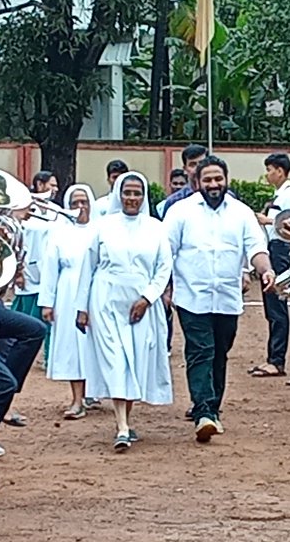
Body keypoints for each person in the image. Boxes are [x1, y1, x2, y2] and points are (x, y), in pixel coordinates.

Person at [165, 156, 273, 440]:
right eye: (208, 180)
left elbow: (256, 248)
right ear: (197, 182)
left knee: (220, 353)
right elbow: (166, 252)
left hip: (227, 297)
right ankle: (203, 412)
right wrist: (165, 288)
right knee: (200, 349)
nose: (214, 184)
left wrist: (266, 270)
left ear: (226, 180)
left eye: (218, 179)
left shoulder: (241, 213)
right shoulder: (180, 212)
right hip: (191, 296)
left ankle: (212, 407)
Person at [80, 172, 174, 450]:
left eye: (137, 193)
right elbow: (89, 267)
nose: (131, 198)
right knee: (116, 360)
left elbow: (164, 268)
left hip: (142, 305)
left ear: (144, 197)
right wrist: (81, 308)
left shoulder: (156, 228)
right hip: (105, 300)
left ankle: (126, 419)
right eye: (127, 193)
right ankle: (121, 426)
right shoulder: (103, 226)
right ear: (119, 194)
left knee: (135, 361)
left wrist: (147, 298)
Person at [39, 184, 99, 419]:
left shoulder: (100, 230)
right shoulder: (59, 232)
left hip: (96, 291)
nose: (80, 207)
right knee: (73, 345)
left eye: (84, 202)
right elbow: (50, 268)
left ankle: (95, 391)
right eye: (75, 203)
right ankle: (77, 399)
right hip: (67, 292)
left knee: (95, 343)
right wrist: (47, 302)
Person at [254, 152, 290, 378]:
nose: (267, 174)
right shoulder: (280, 194)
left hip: (281, 249)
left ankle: (277, 359)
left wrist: (268, 221)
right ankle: (273, 357)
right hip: (274, 247)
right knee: (271, 305)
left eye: (269, 170)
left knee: (276, 304)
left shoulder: (289, 195)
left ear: (280, 171)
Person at [155, 145, 209, 219]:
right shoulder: (174, 202)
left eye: (202, 163)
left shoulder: (225, 197)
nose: (198, 169)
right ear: (185, 169)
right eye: (192, 165)